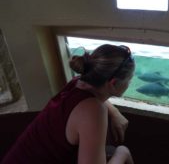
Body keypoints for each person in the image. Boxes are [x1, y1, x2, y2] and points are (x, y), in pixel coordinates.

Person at [2, 44, 135, 164]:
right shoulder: (94, 111)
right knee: (117, 151)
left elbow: (96, 98)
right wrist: (123, 152)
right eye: (130, 79)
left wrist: (115, 112)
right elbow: (92, 108)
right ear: (113, 83)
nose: (130, 83)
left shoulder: (77, 82)